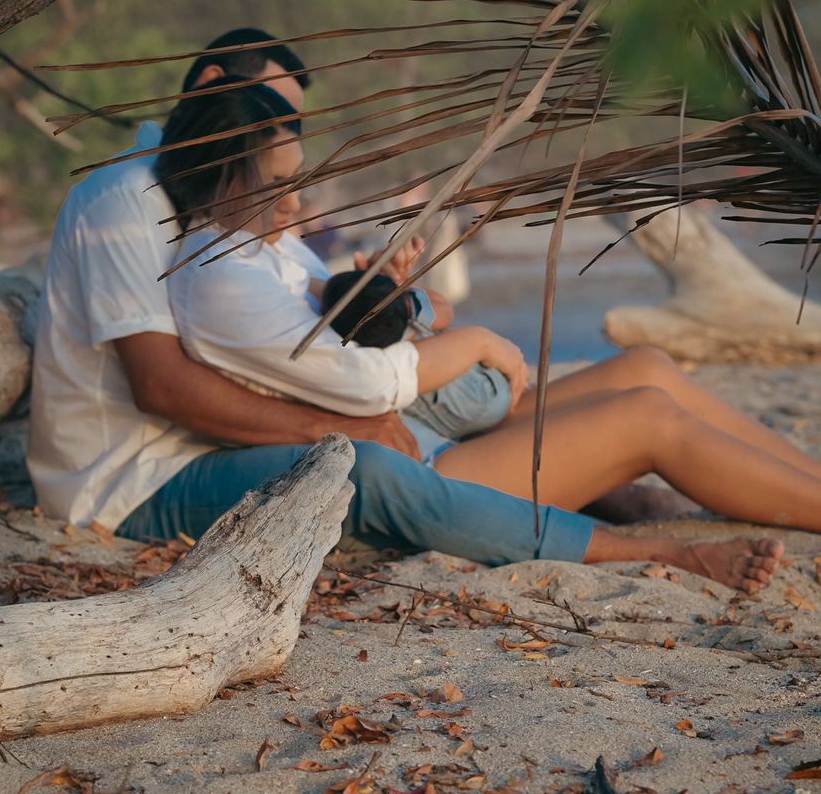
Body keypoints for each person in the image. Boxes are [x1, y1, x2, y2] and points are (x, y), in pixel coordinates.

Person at [157, 81, 821, 588]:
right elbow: (364, 385)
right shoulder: (222, 279)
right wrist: (477, 342)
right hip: (425, 467)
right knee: (648, 418)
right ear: (218, 175)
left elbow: (359, 336)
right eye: (276, 184)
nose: (296, 202)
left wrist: (394, 292)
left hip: (436, 425)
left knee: (645, 367)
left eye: (297, 180)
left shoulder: (266, 253)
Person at [320, 269, 514, 458]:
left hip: (454, 419)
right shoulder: (412, 313)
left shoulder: (372, 356)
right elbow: (445, 310)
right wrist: (406, 287)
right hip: (486, 389)